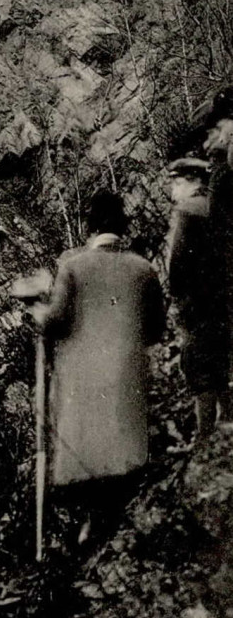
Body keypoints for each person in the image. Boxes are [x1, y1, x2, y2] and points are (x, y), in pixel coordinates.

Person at [33, 191, 165, 543]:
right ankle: (114, 522)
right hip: (126, 381)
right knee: (122, 458)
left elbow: (56, 321)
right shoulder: (145, 269)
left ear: (90, 227)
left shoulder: (73, 267)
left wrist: (38, 313)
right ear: (123, 226)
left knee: (89, 455)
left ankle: (90, 528)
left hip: (85, 382)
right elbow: (155, 331)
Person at [167, 156, 233, 439]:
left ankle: (205, 436)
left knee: (198, 367)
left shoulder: (187, 211)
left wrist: (178, 300)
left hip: (197, 307)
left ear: (190, 181)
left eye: (176, 183)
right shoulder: (218, 207)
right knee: (219, 366)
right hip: (222, 304)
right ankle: (226, 423)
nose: (173, 191)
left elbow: (177, 266)